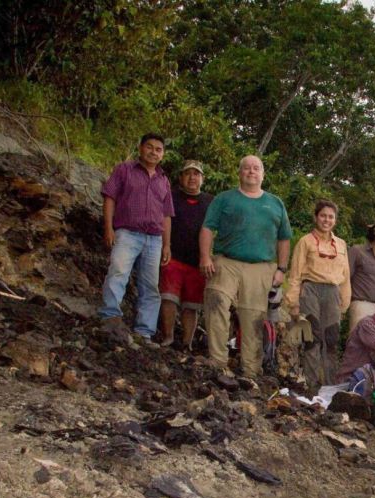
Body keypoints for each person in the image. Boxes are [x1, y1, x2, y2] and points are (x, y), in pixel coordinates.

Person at [198, 155, 293, 378]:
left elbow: (284, 239)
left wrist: (281, 269)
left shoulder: (276, 203)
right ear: (239, 173)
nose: (251, 171)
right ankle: (218, 361)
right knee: (216, 299)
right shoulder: (224, 199)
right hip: (226, 261)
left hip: (261, 267)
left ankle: (250, 372)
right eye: (247, 168)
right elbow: (208, 228)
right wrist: (205, 257)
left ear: (263, 174)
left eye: (256, 168)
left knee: (254, 318)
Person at [97, 133, 174, 341]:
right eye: (149, 147)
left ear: (163, 154)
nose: (153, 152)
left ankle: (144, 331)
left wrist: (167, 245)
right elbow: (110, 197)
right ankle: (110, 315)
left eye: (158, 149)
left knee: (150, 285)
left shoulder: (164, 180)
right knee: (118, 273)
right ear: (140, 148)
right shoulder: (124, 170)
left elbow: (166, 215)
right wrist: (109, 228)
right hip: (127, 233)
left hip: (154, 239)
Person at [285, 200, 350, 386]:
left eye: (330, 217)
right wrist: (293, 302)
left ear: (335, 220)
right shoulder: (305, 242)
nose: (326, 220)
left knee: (331, 340)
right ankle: (311, 386)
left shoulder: (341, 244)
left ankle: (329, 387)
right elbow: (295, 274)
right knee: (312, 339)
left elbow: (345, 277)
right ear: (316, 217)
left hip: (332, 292)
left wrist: (344, 303)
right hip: (310, 290)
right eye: (323, 216)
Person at [157, 160, 213, 348]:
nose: (192, 177)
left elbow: (215, 229)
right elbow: (165, 220)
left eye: (196, 174)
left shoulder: (210, 202)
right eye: (188, 173)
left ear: (202, 179)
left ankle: (187, 344)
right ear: (181, 177)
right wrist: (165, 246)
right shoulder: (171, 196)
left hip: (198, 262)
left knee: (192, 305)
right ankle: (168, 337)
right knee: (168, 297)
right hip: (173, 256)